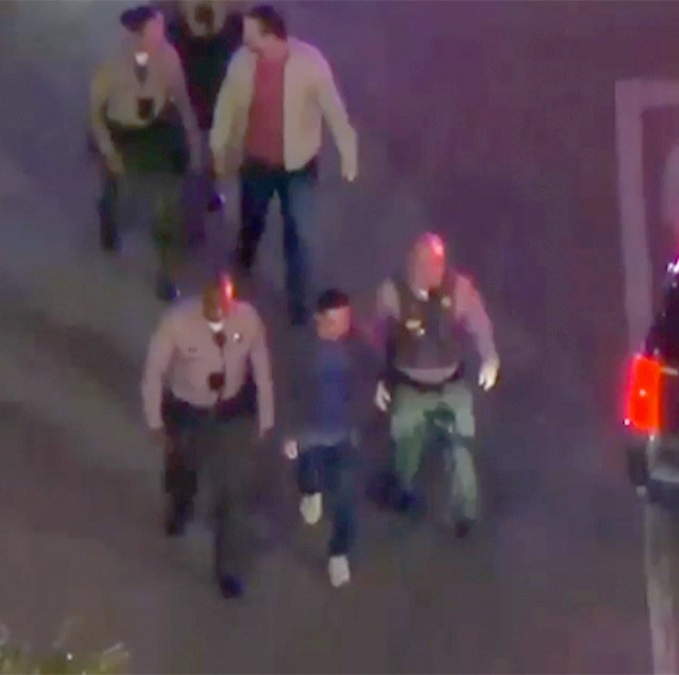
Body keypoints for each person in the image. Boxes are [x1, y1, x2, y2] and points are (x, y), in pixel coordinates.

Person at [209, 4, 358, 326]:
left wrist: (348, 152)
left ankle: (299, 302)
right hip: (256, 163)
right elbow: (226, 106)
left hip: (298, 167)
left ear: (269, 34)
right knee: (252, 220)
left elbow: (333, 108)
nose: (242, 36)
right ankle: (244, 260)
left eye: (249, 31)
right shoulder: (242, 63)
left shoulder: (310, 63)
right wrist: (218, 147)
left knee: (300, 237)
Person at [141, 270, 274, 599]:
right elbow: (154, 372)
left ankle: (228, 568)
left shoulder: (247, 320)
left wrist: (265, 415)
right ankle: (180, 503)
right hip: (188, 411)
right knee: (183, 467)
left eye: (225, 304)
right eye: (213, 304)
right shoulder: (177, 322)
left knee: (232, 491)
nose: (219, 311)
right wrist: (154, 419)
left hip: (231, 413)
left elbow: (261, 367)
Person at [373, 233, 500, 538]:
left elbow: (479, 322)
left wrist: (490, 358)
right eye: (425, 263)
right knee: (406, 450)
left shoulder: (459, 289)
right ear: (411, 264)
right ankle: (403, 488)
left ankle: (465, 514)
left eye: (438, 263)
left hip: (450, 387)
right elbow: (380, 338)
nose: (433, 270)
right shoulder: (392, 294)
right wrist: (380, 379)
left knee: (461, 452)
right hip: (410, 387)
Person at [91, 5, 203, 301]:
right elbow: (95, 113)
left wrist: (192, 140)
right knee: (115, 190)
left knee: (166, 210)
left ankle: (166, 275)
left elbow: (181, 98)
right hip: (121, 131)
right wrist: (108, 150)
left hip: (155, 133)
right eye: (155, 30)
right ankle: (109, 218)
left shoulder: (168, 56)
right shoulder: (110, 64)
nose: (161, 35)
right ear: (137, 35)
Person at [281, 289, 373, 588]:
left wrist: (361, 418)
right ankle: (310, 491)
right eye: (333, 321)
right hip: (310, 431)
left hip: (344, 434)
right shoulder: (300, 348)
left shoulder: (358, 346)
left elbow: (368, 381)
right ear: (318, 319)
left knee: (345, 497)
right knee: (307, 473)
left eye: (345, 320)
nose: (340, 328)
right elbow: (287, 393)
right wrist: (290, 433)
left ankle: (338, 554)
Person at [164, 0, 245, 234]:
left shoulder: (232, 29)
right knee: (196, 158)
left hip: (206, 108)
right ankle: (197, 200)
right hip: (197, 107)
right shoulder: (178, 31)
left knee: (203, 159)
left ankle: (199, 199)